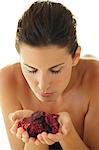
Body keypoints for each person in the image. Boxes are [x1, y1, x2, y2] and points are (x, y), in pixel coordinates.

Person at [0, 0, 99, 150]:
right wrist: (34, 134)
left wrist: (67, 133)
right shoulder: (7, 80)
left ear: (75, 56)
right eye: (31, 70)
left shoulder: (95, 79)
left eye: (55, 70)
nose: (42, 85)